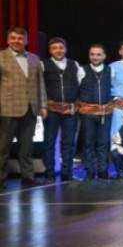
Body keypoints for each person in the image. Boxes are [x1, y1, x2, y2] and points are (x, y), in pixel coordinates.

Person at [0, 27, 48, 188]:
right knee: (3, 148)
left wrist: (43, 105)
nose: (17, 41)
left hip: (30, 109)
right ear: (8, 40)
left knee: (26, 148)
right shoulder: (1, 57)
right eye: (13, 38)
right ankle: (1, 179)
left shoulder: (34, 58)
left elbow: (40, 84)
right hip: (7, 109)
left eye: (20, 38)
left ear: (26, 41)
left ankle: (28, 178)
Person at [42, 37, 83, 181]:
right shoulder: (43, 65)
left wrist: (78, 103)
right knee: (49, 141)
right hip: (52, 109)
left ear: (65, 49)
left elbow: (81, 84)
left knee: (69, 141)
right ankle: (49, 171)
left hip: (70, 109)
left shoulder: (74, 64)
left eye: (61, 47)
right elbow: (40, 87)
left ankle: (67, 172)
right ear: (50, 50)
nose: (58, 50)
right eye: (54, 48)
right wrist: (42, 105)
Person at [78, 44, 113, 180]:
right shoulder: (82, 70)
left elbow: (113, 88)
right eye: (92, 54)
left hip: (105, 113)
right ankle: (90, 171)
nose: (95, 57)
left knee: (103, 143)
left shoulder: (110, 70)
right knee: (88, 143)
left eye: (98, 54)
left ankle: (103, 170)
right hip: (88, 113)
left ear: (104, 56)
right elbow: (77, 89)